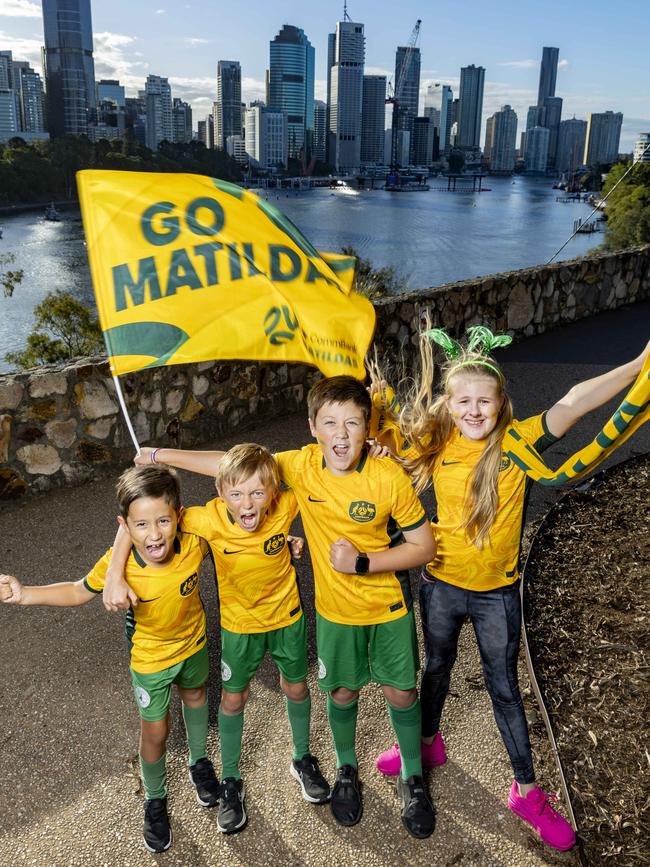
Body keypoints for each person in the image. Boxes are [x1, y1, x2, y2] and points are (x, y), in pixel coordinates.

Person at [103, 376, 438, 839]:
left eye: (352, 424)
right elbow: (214, 479)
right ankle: (302, 775)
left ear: (365, 428)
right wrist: (158, 458)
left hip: (352, 612)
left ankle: (399, 776)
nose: (341, 434)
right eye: (330, 424)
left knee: (378, 691)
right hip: (292, 620)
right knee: (326, 694)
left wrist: (362, 555)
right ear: (312, 428)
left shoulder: (351, 480)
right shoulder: (283, 476)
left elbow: (424, 544)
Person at [370, 326, 650, 852]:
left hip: (498, 594)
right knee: (435, 670)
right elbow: (384, 440)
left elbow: (573, 401)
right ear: (449, 406)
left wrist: (638, 364)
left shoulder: (519, 443)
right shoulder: (438, 444)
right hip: (441, 586)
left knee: (505, 690)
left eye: (485, 401)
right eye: (464, 401)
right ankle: (426, 745)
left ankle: (526, 792)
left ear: (502, 406)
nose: (474, 411)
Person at [104, 443, 330, 835]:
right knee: (232, 699)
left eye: (258, 493)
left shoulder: (287, 503)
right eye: (236, 493)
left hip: (287, 618)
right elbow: (145, 517)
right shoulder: (205, 518)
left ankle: (302, 758)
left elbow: (265, 476)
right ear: (220, 491)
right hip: (237, 628)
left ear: (273, 492)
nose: (247, 504)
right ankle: (230, 779)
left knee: (296, 687)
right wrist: (113, 574)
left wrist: (289, 540)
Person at [0, 465, 220, 854]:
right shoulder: (121, 566)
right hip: (150, 660)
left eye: (164, 520)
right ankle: (155, 797)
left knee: (197, 697)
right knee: (155, 731)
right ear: (125, 526)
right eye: (141, 525)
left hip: (194, 643)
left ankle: (199, 763)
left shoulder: (195, 541)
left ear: (179, 516)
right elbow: (76, 590)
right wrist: (24, 594)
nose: (154, 534)